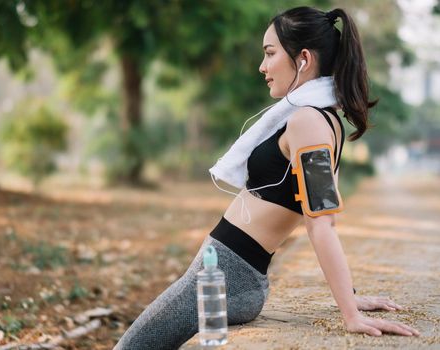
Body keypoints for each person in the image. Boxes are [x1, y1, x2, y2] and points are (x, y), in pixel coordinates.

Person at [114, 6, 420, 350]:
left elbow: (321, 223)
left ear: (303, 58)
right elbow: (323, 213)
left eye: (270, 53)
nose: (262, 66)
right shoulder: (324, 121)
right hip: (230, 274)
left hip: (227, 278)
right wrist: (348, 295)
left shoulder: (309, 123)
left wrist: (351, 314)